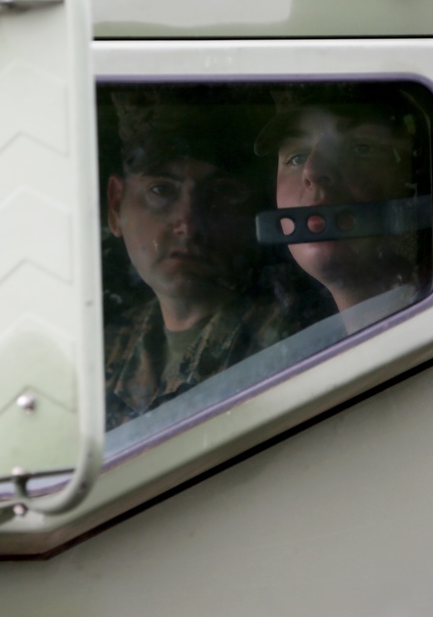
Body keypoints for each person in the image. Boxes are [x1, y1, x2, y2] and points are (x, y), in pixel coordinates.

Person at [103, 87, 327, 430]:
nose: (189, 223)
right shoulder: (107, 349)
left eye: (221, 193)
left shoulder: (297, 341)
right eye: (161, 190)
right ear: (116, 206)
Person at [254, 83, 433, 334]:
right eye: (297, 157)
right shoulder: (295, 343)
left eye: (361, 148)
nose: (313, 171)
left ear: (418, 179)